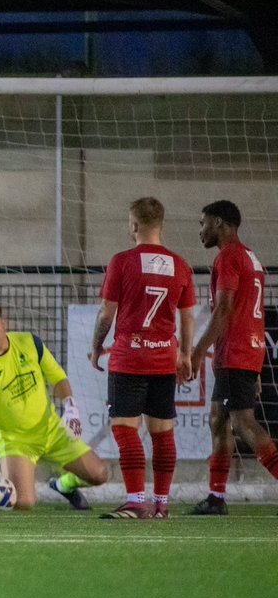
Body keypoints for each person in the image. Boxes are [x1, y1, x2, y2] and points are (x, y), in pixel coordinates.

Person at [89, 197, 196, 519]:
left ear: (134, 226)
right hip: (164, 358)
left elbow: (107, 312)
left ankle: (136, 500)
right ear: (161, 225)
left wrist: (97, 346)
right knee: (163, 431)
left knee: (124, 428)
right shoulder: (180, 265)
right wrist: (186, 354)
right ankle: (161, 504)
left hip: (130, 358)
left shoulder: (121, 261)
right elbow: (188, 317)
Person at [0, 300, 108, 510]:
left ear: (4, 323)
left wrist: (71, 407)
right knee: (22, 503)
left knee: (100, 474)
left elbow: (57, 377)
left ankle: (63, 485)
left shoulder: (29, 343)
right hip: (17, 443)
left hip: (52, 431)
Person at [188, 200, 278, 515]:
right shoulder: (251, 258)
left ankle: (216, 497)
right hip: (248, 349)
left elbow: (225, 308)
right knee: (219, 419)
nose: (200, 230)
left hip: (234, 350)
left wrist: (198, 351)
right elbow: (250, 310)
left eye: (203, 223)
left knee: (242, 423)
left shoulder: (228, 257)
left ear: (220, 223)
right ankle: (216, 497)